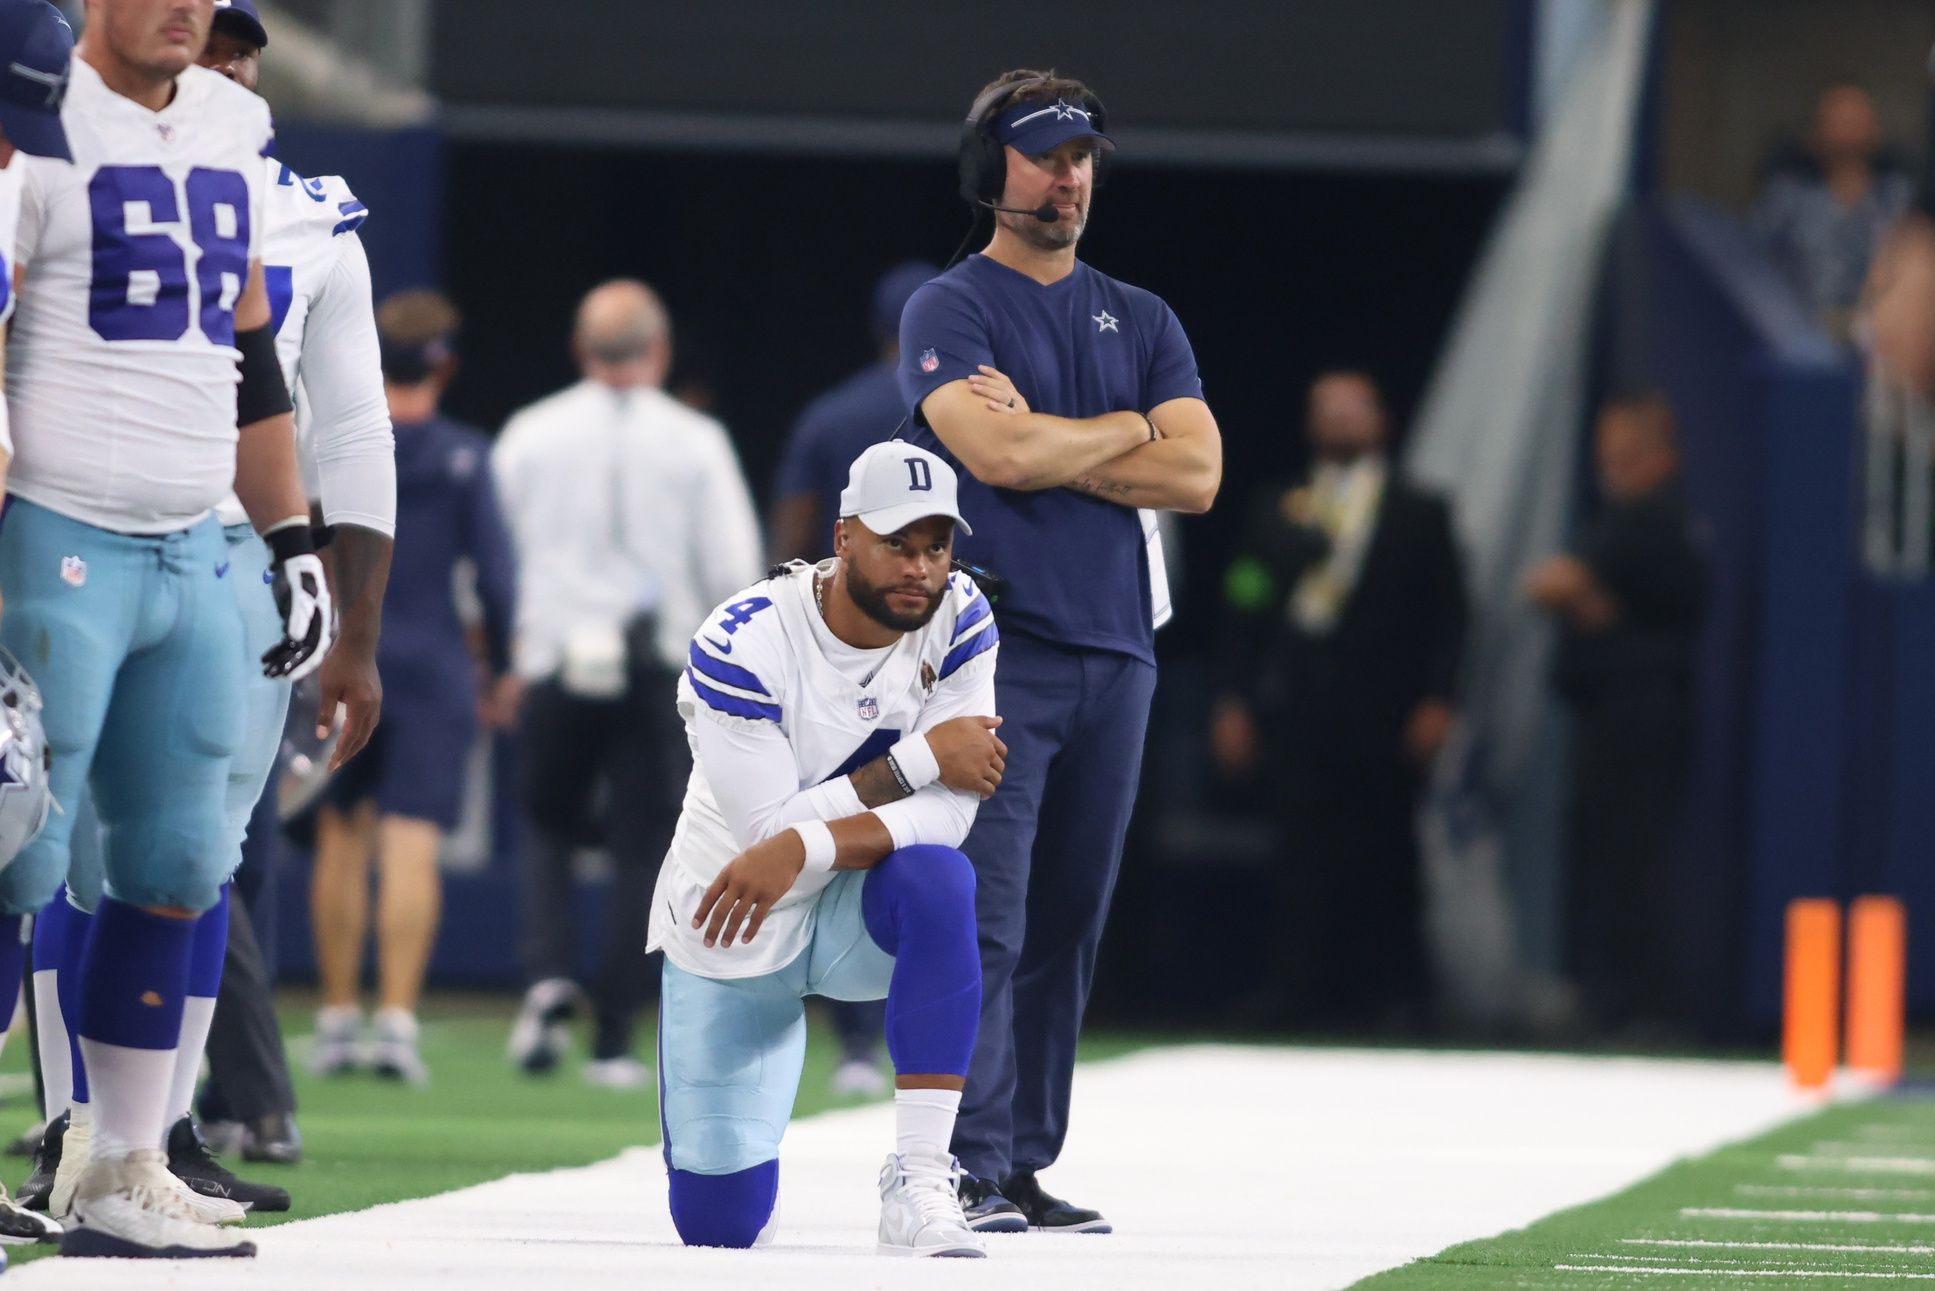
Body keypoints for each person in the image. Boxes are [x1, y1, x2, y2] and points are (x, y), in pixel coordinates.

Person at [18, 0, 395, 1220]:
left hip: (198, 543)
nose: (189, 11)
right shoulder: (35, 108)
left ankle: (125, 1165)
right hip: (58, 528)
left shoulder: (234, 126)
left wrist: (293, 540)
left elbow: (250, 354)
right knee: (17, 857)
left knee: (181, 863)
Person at [898, 68, 1221, 1232]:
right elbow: (999, 460)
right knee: (991, 910)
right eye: (1047, 156)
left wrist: (1058, 436)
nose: (1071, 177)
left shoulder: (1143, 315)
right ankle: (966, 1161)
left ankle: (1023, 1158)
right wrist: (1123, 427)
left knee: (1073, 916)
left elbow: (1198, 473)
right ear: (994, 172)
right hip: (1003, 651)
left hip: (1120, 650)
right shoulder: (952, 308)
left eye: (1084, 157)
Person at [648, 441, 1003, 1257]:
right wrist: (913, 760)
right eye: (896, 544)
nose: (920, 568)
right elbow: (765, 836)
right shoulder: (743, 640)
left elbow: (953, 812)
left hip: (853, 906)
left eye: (936, 546)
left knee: (939, 880)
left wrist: (801, 843)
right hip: (737, 915)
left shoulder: (960, 614)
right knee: (718, 1225)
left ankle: (918, 1172)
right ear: (843, 538)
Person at [493, 279, 760, 1087]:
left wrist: (504, 655)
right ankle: (614, 1034)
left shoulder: (531, 433)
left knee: (546, 825)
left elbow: (495, 557)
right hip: (661, 670)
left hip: (552, 660)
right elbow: (732, 569)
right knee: (647, 846)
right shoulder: (696, 439)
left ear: (580, 349)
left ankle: (545, 977)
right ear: (660, 350)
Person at [1211, 371, 1466, 1030]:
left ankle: (1398, 994)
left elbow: (1450, 615)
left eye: (1354, 408)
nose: (1341, 421)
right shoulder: (1278, 506)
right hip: (1298, 706)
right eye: (1327, 409)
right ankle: (1298, 989)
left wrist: (1439, 698)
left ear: (1380, 419)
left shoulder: (1418, 510)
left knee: (1388, 849)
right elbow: (1244, 598)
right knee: (1299, 851)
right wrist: (1234, 696)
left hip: (1385, 706)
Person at [309, 289, 515, 1085]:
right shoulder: (464, 456)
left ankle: (333, 1015)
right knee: (411, 840)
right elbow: (495, 576)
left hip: (337, 651)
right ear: (448, 364)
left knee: (338, 833)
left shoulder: (337, 445)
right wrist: (499, 666)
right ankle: (395, 1018)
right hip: (431, 665)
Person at [768, 259, 938, 1097]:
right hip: (921, 661)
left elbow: (793, 527)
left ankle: (795, 1010)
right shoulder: (962, 418)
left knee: (813, 825)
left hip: (826, 659)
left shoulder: (828, 412)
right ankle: (880, 1042)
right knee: (908, 837)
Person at [1525, 396, 1709, 1034]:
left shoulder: (1645, 518)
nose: (1612, 464)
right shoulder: (1648, 521)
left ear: (1658, 454)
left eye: (1625, 451)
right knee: (1615, 858)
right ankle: (1623, 996)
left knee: (1631, 860)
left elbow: (1548, 583)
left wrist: (1583, 593)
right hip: (1624, 712)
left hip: (1635, 716)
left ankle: (1643, 1003)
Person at [1751, 84, 1913, 338]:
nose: (1847, 130)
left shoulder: (1899, 199)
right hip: (1803, 339)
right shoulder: (1785, 199)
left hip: (1884, 341)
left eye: (1856, 120)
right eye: (1837, 120)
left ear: (1875, 131)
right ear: (1815, 136)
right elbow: (1756, 272)